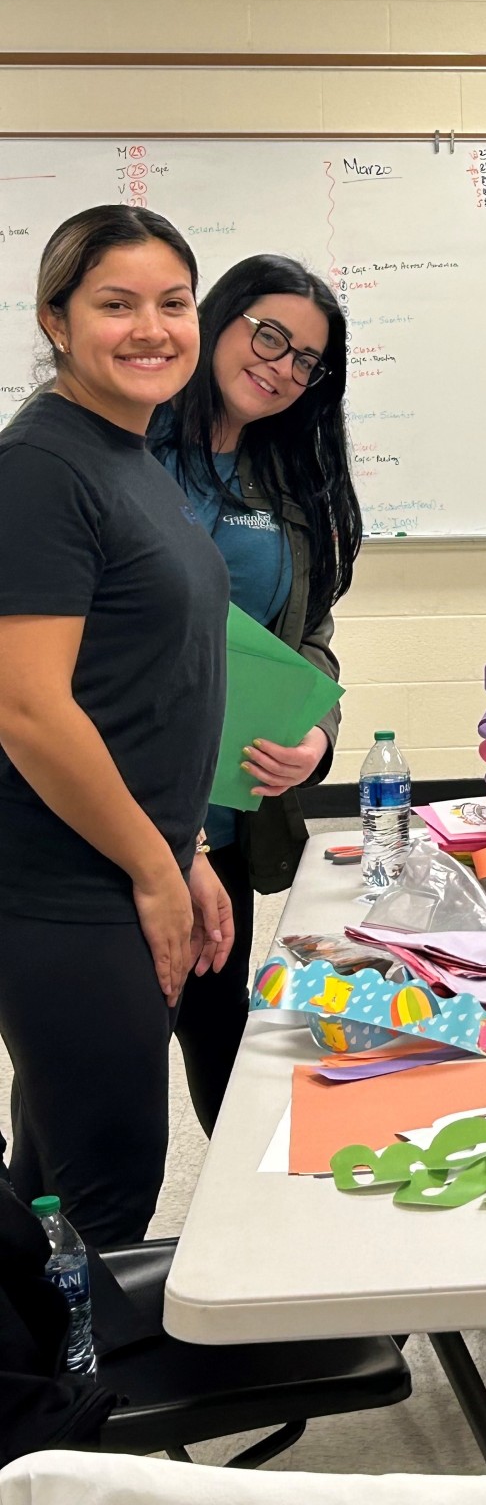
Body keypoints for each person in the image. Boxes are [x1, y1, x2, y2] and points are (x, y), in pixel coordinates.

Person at [0, 206, 232, 1248]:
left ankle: (38, 1391)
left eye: (173, 304)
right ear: (56, 319)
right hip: (63, 889)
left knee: (50, 1182)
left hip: (120, 862)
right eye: (116, 305)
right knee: (106, 1193)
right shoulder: (40, 471)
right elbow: (27, 708)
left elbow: (137, 687)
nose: (152, 329)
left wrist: (181, 850)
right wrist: (151, 869)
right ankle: (85, 1409)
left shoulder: (125, 453)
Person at [154, 255, 361, 1138]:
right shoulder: (125, 454)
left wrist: (315, 730)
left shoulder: (290, 485)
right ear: (218, 318)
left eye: (306, 359)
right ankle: (55, 1273)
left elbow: (309, 640)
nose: (281, 367)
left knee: (221, 1045)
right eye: (268, 335)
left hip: (230, 815)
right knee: (101, 1078)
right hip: (115, 822)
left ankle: (231, 1254)